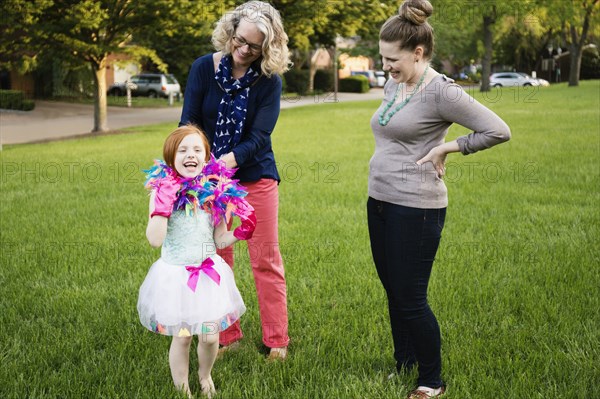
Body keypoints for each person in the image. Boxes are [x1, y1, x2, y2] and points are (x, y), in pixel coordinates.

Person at [367, 1, 511, 398]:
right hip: (379, 199)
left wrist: (449, 147)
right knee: (393, 289)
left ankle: (432, 380)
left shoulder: (442, 92)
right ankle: (405, 362)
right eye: (383, 58)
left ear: (418, 53)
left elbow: (498, 130)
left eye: (392, 59)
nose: (386, 67)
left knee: (411, 297)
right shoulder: (396, 83)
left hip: (417, 206)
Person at [179, 1, 291, 360]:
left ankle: (277, 341)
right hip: (209, 179)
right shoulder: (202, 68)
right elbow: (189, 121)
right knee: (216, 258)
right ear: (230, 33)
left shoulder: (268, 82)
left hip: (255, 176)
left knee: (264, 257)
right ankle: (227, 335)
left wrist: (223, 163)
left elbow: (259, 136)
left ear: (267, 49)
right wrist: (191, 160)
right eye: (239, 40)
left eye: (254, 47)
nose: (243, 50)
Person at [137, 125, 256, 398]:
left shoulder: (213, 192)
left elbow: (219, 240)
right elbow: (155, 240)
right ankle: (183, 389)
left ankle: (204, 375)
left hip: (207, 275)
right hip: (176, 277)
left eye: (197, 150)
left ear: (206, 158)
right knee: (183, 336)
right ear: (171, 157)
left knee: (210, 335)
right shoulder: (161, 192)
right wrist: (163, 209)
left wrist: (241, 232)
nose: (190, 155)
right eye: (183, 150)